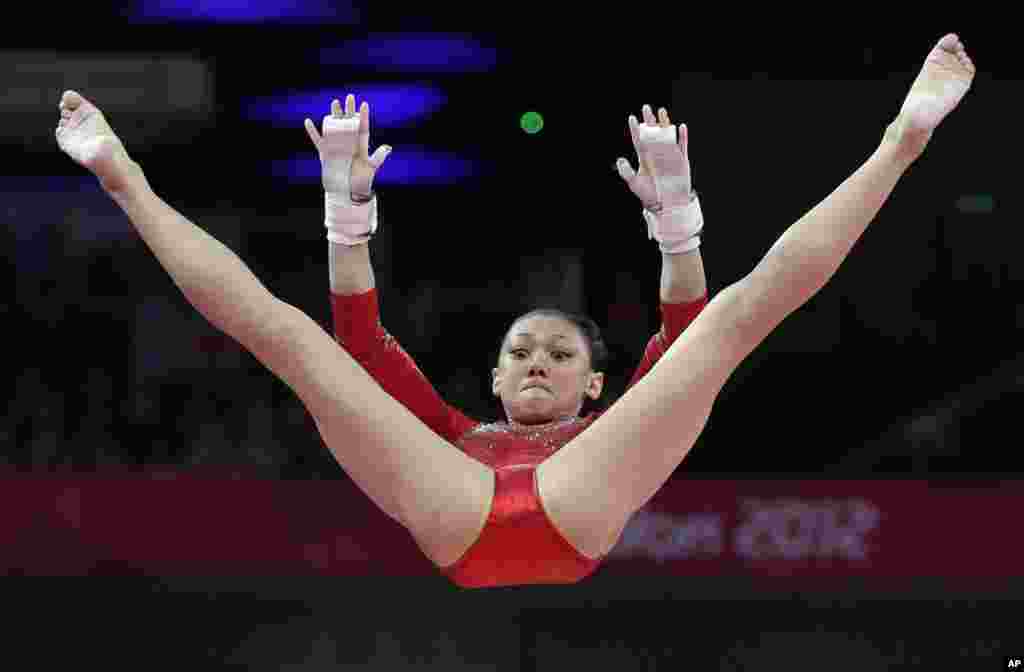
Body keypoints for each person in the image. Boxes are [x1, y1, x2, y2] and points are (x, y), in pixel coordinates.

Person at [56, 33, 975, 588]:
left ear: (598, 380)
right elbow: (361, 347)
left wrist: (678, 229)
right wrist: (345, 217)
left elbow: (688, 345)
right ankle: (122, 176)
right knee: (291, 339)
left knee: (734, 320)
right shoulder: (449, 433)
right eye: (523, 351)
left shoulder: (610, 427)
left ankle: (903, 139)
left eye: (560, 354)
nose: (539, 361)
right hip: (457, 497)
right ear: (493, 375)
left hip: (576, 497)